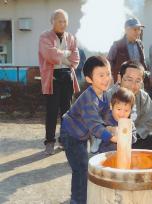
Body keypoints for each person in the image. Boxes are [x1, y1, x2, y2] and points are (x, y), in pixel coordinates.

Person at [60, 56, 114, 204]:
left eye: (108, 73)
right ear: (89, 79)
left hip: (81, 135)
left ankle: (82, 197)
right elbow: (95, 125)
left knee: (83, 165)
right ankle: (77, 200)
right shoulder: (88, 99)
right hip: (70, 134)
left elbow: (108, 114)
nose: (106, 79)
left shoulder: (105, 94)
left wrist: (116, 126)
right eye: (101, 75)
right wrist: (111, 136)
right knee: (81, 168)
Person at [38, 9, 80, 155]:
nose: (63, 24)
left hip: (68, 75)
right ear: (53, 22)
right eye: (59, 21)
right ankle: (49, 142)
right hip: (52, 76)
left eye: (65, 21)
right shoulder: (45, 36)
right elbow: (49, 55)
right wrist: (66, 54)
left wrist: (62, 56)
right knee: (51, 111)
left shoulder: (71, 38)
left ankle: (64, 140)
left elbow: (76, 58)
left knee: (67, 112)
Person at [108, 61, 152, 152]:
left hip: (135, 139)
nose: (133, 85)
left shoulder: (143, 97)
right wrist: (117, 133)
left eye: (138, 81)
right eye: (129, 79)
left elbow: (148, 121)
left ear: (142, 82)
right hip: (114, 141)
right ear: (120, 78)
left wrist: (134, 135)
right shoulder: (109, 96)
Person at [91, 87, 137, 153]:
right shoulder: (106, 119)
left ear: (130, 111)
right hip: (105, 153)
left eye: (126, 110)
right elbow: (97, 131)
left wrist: (127, 136)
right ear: (111, 106)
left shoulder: (129, 123)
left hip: (123, 154)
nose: (122, 114)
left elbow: (134, 138)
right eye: (119, 109)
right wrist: (110, 131)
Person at [107, 18, 146, 82]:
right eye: (135, 29)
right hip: (122, 83)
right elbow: (108, 63)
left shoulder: (140, 45)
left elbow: (143, 62)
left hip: (137, 82)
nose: (138, 32)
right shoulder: (117, 45)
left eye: (139, 29)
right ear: (126, 30)